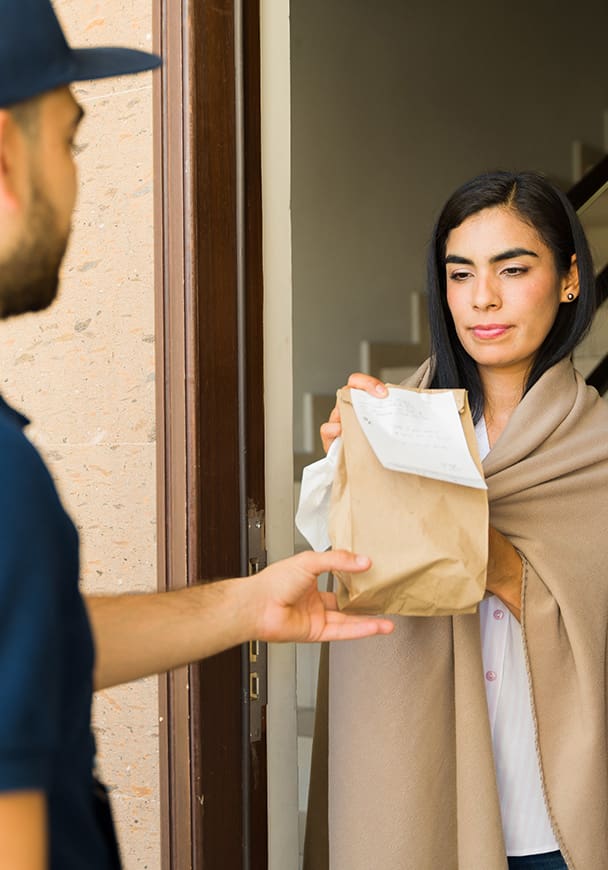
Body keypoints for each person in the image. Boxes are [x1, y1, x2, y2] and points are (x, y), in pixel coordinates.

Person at [0, 2, 395, 868]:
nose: (75, 181)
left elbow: (31, 644)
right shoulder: (4, 484)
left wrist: (245, 604)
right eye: (69, 143)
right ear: (6, 158)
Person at [303, 170, 608, 870]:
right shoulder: (391, 422)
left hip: (547, 813)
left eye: (513, 269)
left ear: (568, 280)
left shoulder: (597, 452)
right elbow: (343, 561)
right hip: (413, 791)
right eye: (460, 273)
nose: (483, 299)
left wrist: (449, 527)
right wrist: (357, 471)